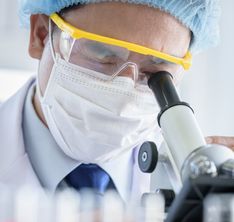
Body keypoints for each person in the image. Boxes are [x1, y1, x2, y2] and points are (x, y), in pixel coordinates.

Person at [0, 0, 229, 203]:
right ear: (40, 35)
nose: (125, 89)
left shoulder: (201, 181)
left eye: (157, 68)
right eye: (102, 53)